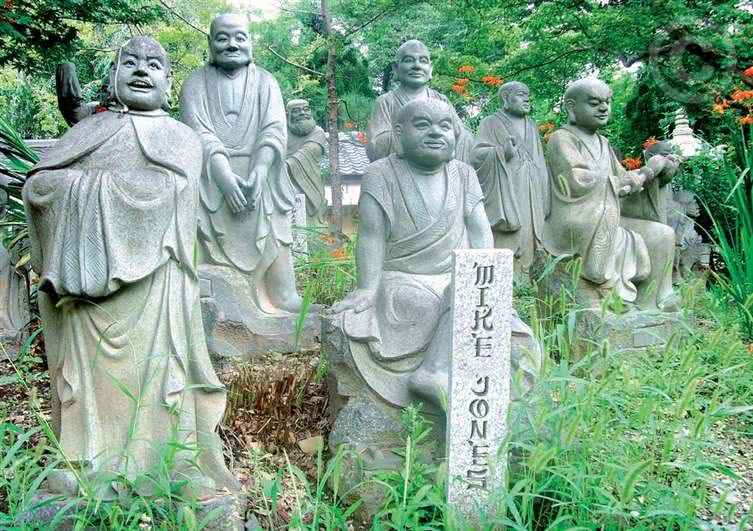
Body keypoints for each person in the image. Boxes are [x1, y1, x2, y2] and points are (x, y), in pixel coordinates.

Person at [23, 37, 236, 498]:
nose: (141, 71)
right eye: (130, 63)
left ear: (168, 83)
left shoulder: (181, 138)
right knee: (87, 379)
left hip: (156, 288)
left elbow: (170, 193)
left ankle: (171, 462)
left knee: (160, 374)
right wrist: (83, 191)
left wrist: (89, 189)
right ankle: (84, 461)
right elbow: (39, 186)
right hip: (84, 287)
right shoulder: (86, 132)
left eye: (154, 65)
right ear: (111, 78)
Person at [332, 98, 539, 410]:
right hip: (404, 280)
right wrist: (367, 288)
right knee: (459, 300)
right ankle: (433, 374)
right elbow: (371, 237)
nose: (435, 132)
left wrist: (486, 278)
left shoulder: (463, 174)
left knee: (497, 321)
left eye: (445, 126)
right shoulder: (380, 173)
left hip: (457, 277)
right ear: (398, 134)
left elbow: (480, 230)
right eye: (422, 125)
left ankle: (467, 395)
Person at [180, 13, 301, 313]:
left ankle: (281, 292)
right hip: (212, 179)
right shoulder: (195, 83)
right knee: (194, 212)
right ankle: (211, 300)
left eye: (240, 38)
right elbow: (197, 133)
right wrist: (224, 177)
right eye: (222, 38)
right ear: (210, 43)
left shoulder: (266, 82)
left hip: (260, 174)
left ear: (250, 42)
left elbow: (274, 129)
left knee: (274, 220)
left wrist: (260, 170)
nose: (232, 45)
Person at [544, 78, 679, 311]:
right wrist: (628, 179)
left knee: (663, 234)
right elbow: (577, 181)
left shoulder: (603, 143)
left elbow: (625, 184)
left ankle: (653, 303)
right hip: (578, 217)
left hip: (606, 211)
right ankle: (609, 297)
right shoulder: (562, 138)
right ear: (571, 107)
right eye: (594, 102)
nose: (604, 108)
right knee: (616, 235)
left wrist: (657, 175)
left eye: (607, 102)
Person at [471, 81, 549, 272]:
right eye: (521, 94)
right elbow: (476, 156)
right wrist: (500, 152)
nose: (527, 99)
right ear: (506, 98)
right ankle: (507, 277)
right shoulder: (490, 123)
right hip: (508, 191)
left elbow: (540, 160)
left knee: (533, 237)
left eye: (527, 95)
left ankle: (532, 276)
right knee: (511, 241)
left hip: (533, 191)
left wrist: (544, 190)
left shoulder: (531, 126)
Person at [366, 39, 474, 163]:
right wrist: (415, 136)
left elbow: (462, 136)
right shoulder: (386, 102)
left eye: (423, 61)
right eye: (408, 60)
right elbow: (376, 146)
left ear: (430, 68)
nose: (417, 66)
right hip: (400, 170)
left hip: (439, 170)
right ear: (396, 68)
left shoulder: (441, 100)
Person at [285, 99, 327, 225]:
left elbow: (309, 152)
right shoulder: (282, 133)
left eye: (306, 109)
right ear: (287, 115)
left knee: (310, 225)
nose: (302, 113)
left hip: (311, 183)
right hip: (284, 184)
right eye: (296, 111)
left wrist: (284, 166)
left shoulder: (318, 132)